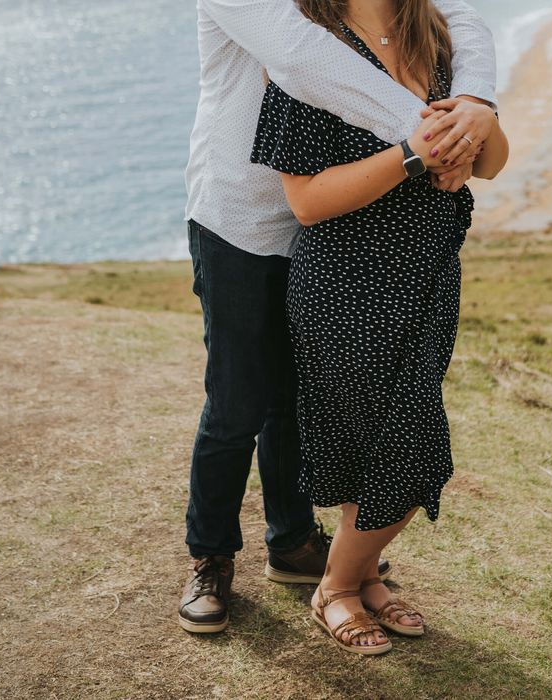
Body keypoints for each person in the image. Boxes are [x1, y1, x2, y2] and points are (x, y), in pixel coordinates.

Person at [178, 0, 499, 635]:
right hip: (242, 222)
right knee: (238, 401)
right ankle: (210, 558)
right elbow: (305, 58)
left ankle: (294, 542)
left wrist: (476, 105)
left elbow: (457, 12)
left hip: (339, 231)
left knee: (299, 402)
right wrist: (441, 137)